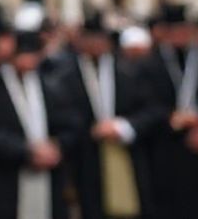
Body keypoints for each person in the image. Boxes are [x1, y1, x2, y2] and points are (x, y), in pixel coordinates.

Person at [0, 3, 80, 219]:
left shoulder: (50, 86)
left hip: (49, 176)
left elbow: (70, 123)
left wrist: (57, 146)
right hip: (4, 181)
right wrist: (27, 151)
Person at [57, 11, 162, 219]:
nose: (95, 45)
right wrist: (91, 129)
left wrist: (125, 127)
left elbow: (152, 110)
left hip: (127, 155)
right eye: (89, 39)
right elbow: (61, 117)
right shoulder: (64, 78)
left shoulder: (128, 72)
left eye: (99, 39)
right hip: (86, 160)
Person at [139, 3, 198, 219]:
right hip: (165, 149)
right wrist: (170, 117)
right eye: (173, 31)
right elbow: (143, 104)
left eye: (184, 30)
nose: (179, 36)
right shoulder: (149, 67)